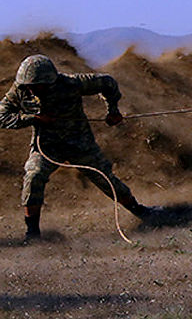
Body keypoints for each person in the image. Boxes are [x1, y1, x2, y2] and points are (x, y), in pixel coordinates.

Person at [0, 54, 157, 240]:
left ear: (50, 81)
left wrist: (113, 110)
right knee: (33, 176)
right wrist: (32, 118)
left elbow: (107, 82)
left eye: (37, 86)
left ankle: (140, 212)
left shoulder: (72, 83)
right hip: (46, 146)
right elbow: (2, 115)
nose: (32, 90)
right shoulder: (20, 90)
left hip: (80, 143)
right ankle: (32, 233)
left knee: (106, 179)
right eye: (29, 86)